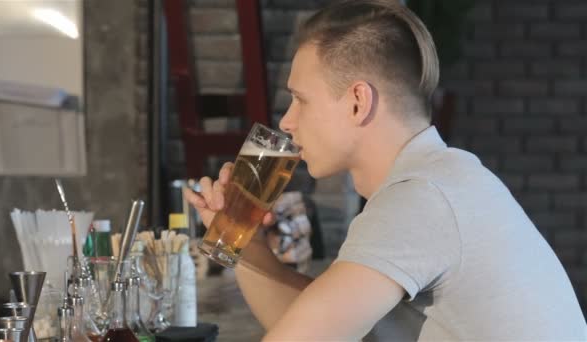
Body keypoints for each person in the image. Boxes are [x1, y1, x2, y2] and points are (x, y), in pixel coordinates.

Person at [183, 0, 587, 340]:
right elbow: (319, 324)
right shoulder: (446, 176)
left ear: (358, 101)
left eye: (300, 100)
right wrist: (244, 243)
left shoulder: (420, 198)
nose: (286, 122)